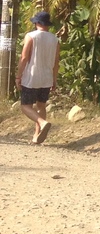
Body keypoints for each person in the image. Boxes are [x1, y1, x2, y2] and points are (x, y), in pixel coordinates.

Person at [17, 10, 60, 145]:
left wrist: (18, 76)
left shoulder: (31, 36)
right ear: (47, 24)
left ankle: (42, 123)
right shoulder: (55, 39)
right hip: (46, 77)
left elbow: (24, 58)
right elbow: (56, 62)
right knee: (41, 106)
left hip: (31, 76)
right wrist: (54, 79)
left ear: (36, 23)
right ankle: (36, 136)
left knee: (25, 106)